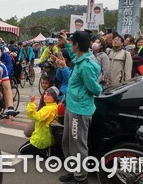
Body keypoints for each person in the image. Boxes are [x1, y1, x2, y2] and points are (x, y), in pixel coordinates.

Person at [59, 31, 102, 184]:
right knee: (67, 142)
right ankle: (73, 171)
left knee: (78, 145)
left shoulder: (86, 65)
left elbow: (95, 89)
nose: (70, 45)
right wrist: (65, 41)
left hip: (80, 110)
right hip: (72, 107)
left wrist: (98, 89)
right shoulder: (80, 57)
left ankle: (81, 178)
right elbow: (72, 53)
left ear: (77, 44)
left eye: (72, 43)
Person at [18, 86, 59, 156]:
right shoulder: (53, 106)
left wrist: (31, 104)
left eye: (48, 95)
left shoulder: (48, 109)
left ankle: (43, 151)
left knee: (21, 151)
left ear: (54, 98)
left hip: (40, 140)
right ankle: (46, 149)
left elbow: (35, 116)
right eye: (45, 94)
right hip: (45, 137)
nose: (45, 96)